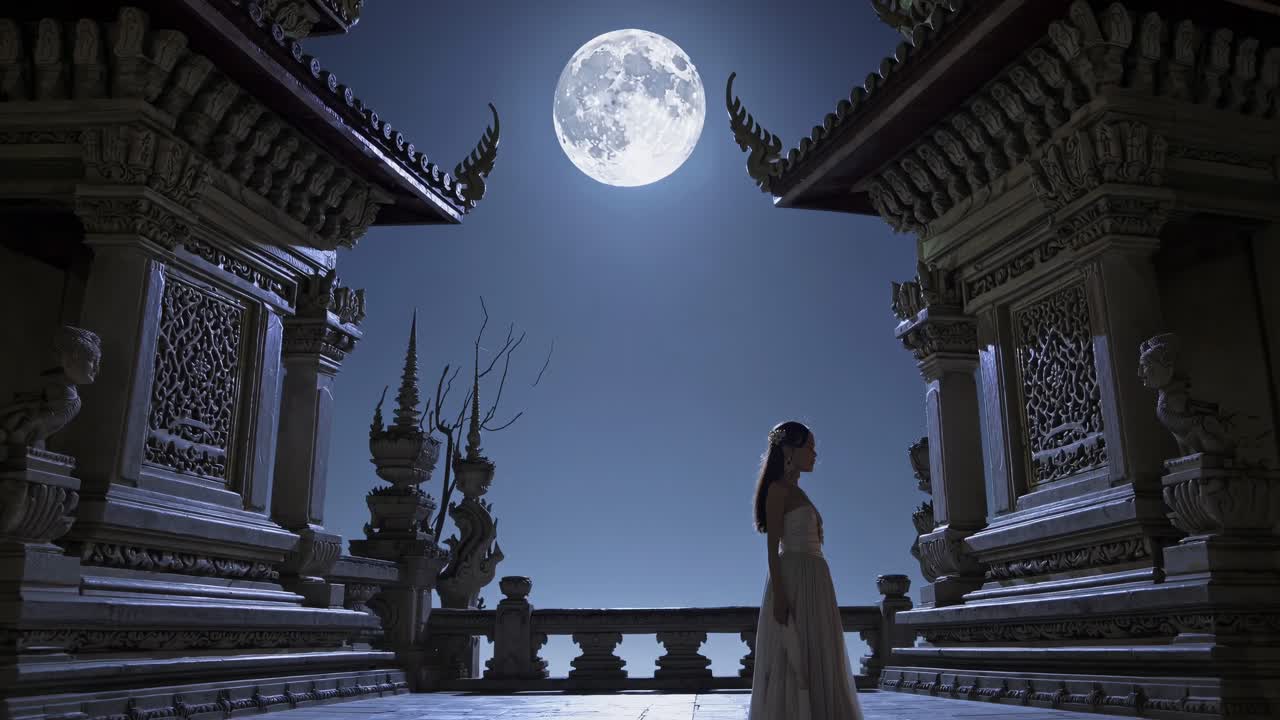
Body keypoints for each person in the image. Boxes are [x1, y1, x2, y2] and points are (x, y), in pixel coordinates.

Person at [748, 420, 864, 720]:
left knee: (819, 651)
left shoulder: (797, 491)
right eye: (810, 447)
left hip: (816, 578)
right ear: (789, 450)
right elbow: (772, 547)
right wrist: (780, 596)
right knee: (795, 655)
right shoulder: (778, 490)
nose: (814, 454)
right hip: (794, 577)